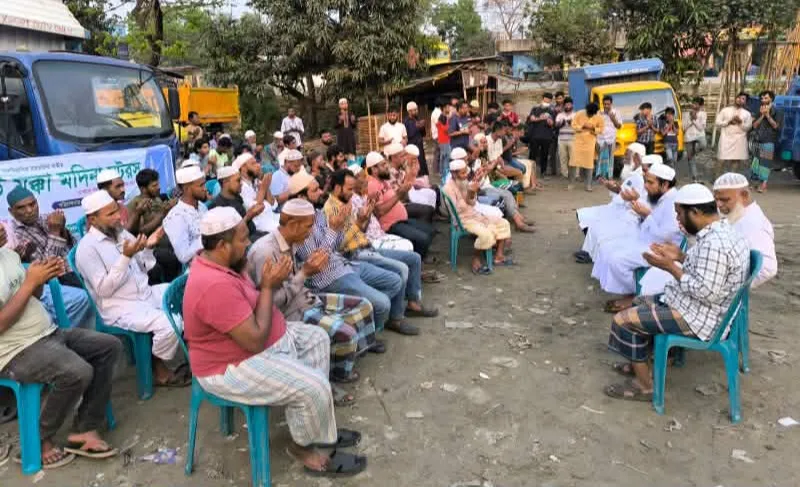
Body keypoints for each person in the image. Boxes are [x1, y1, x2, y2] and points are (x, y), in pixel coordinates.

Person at [183, 206, 367, 476]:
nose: (249, 244)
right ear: (222, 245)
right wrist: (268, 286)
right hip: (229, 366)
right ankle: (305, 449)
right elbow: (255, 341)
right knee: (314, 386)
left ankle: (314, 430)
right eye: (243, 240)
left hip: (260, 341)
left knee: (317, 338)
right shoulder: (214, 284)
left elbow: (253, 306)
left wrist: (272, 284)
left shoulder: (227, 263)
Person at [604, 184, 749, 402]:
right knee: (639, 301)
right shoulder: (720, 230)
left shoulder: (715, 244)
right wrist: (680, 256)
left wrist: (669, 267)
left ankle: (644, 386)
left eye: (680, 214)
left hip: (702, 318)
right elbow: (708, 272)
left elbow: (705, 291)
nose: (678, 221)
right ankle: (644, 360)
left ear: (696, 212)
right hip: (700, 307)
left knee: (623, 320)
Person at [0, 241, 121, 468]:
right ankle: (38, 439)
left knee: (109, 346)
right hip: (13, 351)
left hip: (48, 333)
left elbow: (33, 295)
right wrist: (29, 282)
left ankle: (85, 427)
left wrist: (40, 277)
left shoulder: (7, 255)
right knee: (77, 372)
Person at [246, 200, 381, 389]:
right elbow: (271, 304)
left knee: (364, 306)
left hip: (305, 297)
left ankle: (342, 357)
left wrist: (305, 270)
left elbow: (297, 277)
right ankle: (336, 375)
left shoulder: (290, 242)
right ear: (293, 225)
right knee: (347, 333)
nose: (311, 232)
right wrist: (304, 273)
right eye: (309, 227)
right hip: (289, 314)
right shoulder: (265, 252)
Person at [75, 190, 189, 387]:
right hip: (120, 306)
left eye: (116, 211)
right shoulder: (87, 249)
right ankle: (156, 367)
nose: (118, 217)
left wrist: (148, 248)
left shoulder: (121, 234)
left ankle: (194, 353)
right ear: (93, 219)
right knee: (170, 324)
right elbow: (103, 290)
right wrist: (125, 257)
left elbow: (145, 266)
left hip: (145, 293)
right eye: (110, 214)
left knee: (187, 294)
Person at [287, 171, 417, 335]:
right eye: (315, 190)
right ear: (301, 196)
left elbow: (335, 247)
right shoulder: (298, 225)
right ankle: (368, 331)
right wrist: (336, 229)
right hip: (330, 277)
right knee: (383, 303)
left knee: (395, 281)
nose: (321, 192)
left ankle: (369, 318)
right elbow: (317, 261)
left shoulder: (318, 214)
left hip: (346, 264)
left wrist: (357, 221)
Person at [639, 172, 777, 295]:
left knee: (665, 282)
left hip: (716, 293)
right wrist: (682, 254)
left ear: (744, 195)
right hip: (709, 280)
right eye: (716, 199)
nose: (719, 205)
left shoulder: (753, 223)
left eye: (724, 200)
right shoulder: (736, 215)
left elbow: (768, 269)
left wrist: (731, 290)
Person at [324, 168, 438, 316]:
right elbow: (338, 246)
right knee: (401, 269)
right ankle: (395, 316)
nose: (352, 192)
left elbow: (361, 231)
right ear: (338, 188)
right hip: (354, 255)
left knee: (414, 258)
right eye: (349, 189)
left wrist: (366, 215)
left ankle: (413, 303)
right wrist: (359, 222)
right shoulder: (331, 209)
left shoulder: (346, 202)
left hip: (367, 247)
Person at [592, 164, 681, 304]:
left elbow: (666, 236)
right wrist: (639, 206)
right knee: (606, 247)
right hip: (647, 239)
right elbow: (648, 211)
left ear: (665, 184)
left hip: (660, 248)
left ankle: (637, 293)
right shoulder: (661, 196)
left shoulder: (672, 202)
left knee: (617, 260)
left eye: (650, 182)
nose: (645, 186)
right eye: (646, 181)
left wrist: (647, 215)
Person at [7, 186, 93, 329]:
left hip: (75, 269)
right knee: (87, 296)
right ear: (11, 212)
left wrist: (63, 230)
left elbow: (74, 247)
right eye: (21, 208)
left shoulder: (47, 219)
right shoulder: (15, 235)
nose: (29, 210)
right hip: (56, 282)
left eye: (32, 204)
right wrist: (54, 232)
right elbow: (46, 270)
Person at [577, 150, 657, 265]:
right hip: (623, 211)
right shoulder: (638, 177)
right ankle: (590, 252)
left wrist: (632, 199)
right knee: (593, 223)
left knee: (600, 229)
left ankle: (591, 254)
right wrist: (613, 188)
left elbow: (645, 209)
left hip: (633, 220)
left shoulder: (644, 181)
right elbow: (624, 194)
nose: (643, 173)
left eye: (645, 170)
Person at [443, 159, 512, 275]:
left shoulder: (463, 182)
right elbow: (458, 210)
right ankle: (476, 259)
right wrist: (470, 192)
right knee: (486, 234)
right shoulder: (448, 188)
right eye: (463, 173)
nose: (466, 176)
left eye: (466, 172)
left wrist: (472, 192)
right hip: (463, 220)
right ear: (454, 174)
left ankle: (499, 256)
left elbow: (472, 203)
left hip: (474, 215)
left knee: (503, 222)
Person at [365, 152, 434, 259]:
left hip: (400, 221)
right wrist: (399, 194)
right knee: (423, 238)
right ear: (374, 169)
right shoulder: (372, 185)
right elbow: (379, 212)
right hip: (390, 226)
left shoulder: (383, 181)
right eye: (383, 165)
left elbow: (398, 197)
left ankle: (418, 258)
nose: (387, 166)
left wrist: (406, 184)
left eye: (385, 164)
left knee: (430, 230)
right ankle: (417, 263)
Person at [127, 169, 182, 283]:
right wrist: (163, 214)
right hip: (149, 247)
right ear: (143, 189)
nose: (158, 187)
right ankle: (170, 286)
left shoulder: (156, 198)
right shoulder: (137, 204)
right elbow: (141, 231)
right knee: (172, 258)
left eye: (158, 184)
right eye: (154, 185)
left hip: (164, 237)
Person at [348, 163, 415, 252]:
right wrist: (371, 206)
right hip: (371, 240)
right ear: (353, 181)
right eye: (363, 177)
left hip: (380, 234)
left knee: (409, 244)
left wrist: (371, 202)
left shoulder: (363, 196)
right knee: (408, 245)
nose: (367, 180)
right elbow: (362, 228)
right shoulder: (352, 200)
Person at [480, 128, 536, 232]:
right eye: (483, 143)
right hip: (491, 178)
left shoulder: (485, 154)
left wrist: (495, 164)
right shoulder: (479, 157)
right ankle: (518, 219)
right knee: (511, 189)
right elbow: (487, 170)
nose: (485, 144)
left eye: (485, 143)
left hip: (494, 174)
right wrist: (495, 163)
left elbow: (496, 161)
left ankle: (519, 209)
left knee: (518, 182)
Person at [163, 166, 209, 265]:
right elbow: (183, 256)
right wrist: (209, 237)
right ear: (187, 189)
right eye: (201, 185)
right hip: (196, 269)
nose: (205, 189)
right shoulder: (176, 216)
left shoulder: (202, 207)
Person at [208, 166, 267, 240]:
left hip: (253, 233)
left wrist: (253, 212)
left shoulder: (237, 197)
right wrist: (248, 216)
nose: (241, 183)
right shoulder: (216, 205)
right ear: (225, 182)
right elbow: (230, 235)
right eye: (238, 180)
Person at [232, 153, 279, 234]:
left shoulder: (256, 181)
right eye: (253, 163)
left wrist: (266, 187)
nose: (258, 165)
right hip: (260, 226)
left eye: (257, 162)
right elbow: (254, 209)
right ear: (243, 168)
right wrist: (263, 188)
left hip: (272, 217)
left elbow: (273, 205)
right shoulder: (241, 187)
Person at [751, 90, 783, 192]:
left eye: (766, 98)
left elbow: (776, 126)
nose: (763, 100)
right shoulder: (759, 111)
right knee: (755, 162)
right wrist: (762, 115)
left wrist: (768, 115)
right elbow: (755, 125)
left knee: (765, 163)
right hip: (757, 140)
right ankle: (755, 183)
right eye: (762, 98)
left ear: (771, 99)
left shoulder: (777, 111)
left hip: (768, 141)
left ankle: (763, 185)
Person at [715, 92, 753, 178]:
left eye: (743, 99)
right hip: (725, 138)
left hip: (739, 139)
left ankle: (731, 180)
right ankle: (717, 179)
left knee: (735, 161)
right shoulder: (725, 110)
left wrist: (740, 122)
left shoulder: (747, 113)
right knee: (721, 160)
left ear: (745, 102)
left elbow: (748, 127)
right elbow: (717, 123)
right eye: (739, 97)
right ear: (736, 98)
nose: (740, 100)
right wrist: (728, 122)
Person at [570, 102, 604, 191]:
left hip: (590, 141)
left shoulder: (599, 117)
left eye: (592, 114)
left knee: (589, 164)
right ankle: (571, 183)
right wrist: (583, 126)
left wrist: (593, 128)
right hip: (578, 141)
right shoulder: (579, 113)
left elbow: (601, 129)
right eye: (589, 113)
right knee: (573, 162)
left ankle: (588, 185)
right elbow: (573, 125)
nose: (590, 115)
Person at [526, 93, 556, 177]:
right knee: (533, 154)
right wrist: (541, 118)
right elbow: (532, 119)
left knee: (545, 154)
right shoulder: (535, 108)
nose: (548, 100)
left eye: (549, 99)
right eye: (546, 98)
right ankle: (530, 172)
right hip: (535, 135)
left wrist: (549, 121)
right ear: (543, 98)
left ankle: (543, 172)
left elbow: (552, 123)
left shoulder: (552, 110)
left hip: (546, 136)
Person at [684, 97, 708, 182]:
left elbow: (701, 128)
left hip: (700, 135)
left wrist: (694, 120)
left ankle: (693, 153)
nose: (694, 105)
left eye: (697, 104)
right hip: (688, 137)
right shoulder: (687, 113)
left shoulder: (703, 114)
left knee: (704, 145)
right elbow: (684, 127)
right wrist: (691, 120)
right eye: (693, 103)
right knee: (691, 159)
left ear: (701, 105)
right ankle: (695, 178)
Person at [598, 96, 622, 179]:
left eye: (608, 104)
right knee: (601, 158)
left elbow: (619, 126)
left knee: (611, 158)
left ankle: (610, 176)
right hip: (601, 139)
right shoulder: (599, 113)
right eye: (605, 104)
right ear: (602, 104)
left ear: (611, 104)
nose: (606, 106)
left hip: (611, 139)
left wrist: (613, 119)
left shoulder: (616, 112)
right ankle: (601, 176)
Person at [403, 102, 428, 176]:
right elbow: (409, 135)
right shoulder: (406, 122)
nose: (417, 111)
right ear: (409, 111)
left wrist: (422, 127)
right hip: (412, 148)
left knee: (422, 163)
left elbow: (423, 134)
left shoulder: (417, 119)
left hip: (420, 146)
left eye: (416, 109)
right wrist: (417, 127)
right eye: (415, 110)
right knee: (415, 166)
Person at [555, 97, 576, 178]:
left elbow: (579, 126)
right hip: (561, 139)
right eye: (566, 105)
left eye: (569, 104)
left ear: (572, 105)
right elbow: (556, 126)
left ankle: (575, 175)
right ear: (564, 106)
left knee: (573, 158)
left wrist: (572, 123)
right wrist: (562, 124)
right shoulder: (560, 115)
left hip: (573, 139)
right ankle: (565, 174)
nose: (568, 106)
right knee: (563, 158)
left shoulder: (575, 114)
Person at [436, 110, 452, 177]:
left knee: (442, 157)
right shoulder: (443, 126)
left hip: (440, 142)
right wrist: (448, 121)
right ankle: (445, 172)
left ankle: (441, 172)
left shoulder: (438, 124)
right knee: (446, 157)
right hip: (445, 142)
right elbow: (447, 129)